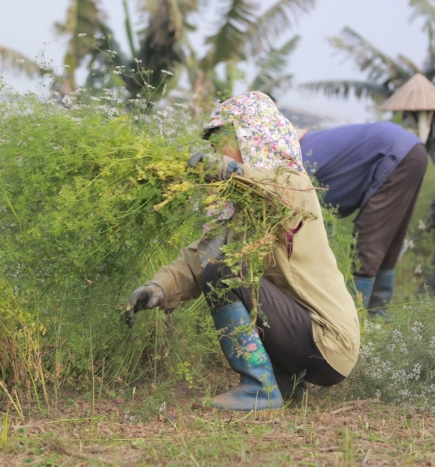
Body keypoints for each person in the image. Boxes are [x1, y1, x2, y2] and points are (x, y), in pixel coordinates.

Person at [125, 92, 360, 412]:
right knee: (218, 265)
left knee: (224, 272)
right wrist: (158, 287)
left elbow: (270, 187)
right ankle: (285, 383)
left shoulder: (291, 182)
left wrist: (229, 169)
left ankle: (259, 387)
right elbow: (199, 258)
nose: (214, 151)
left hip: (327, 342)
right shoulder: (242, 210)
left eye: (222, 140)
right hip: (306, 343)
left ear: (253, 140)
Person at [299, 123, 428, 320]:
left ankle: (351, 317)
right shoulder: (302, 143)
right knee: (390, 238)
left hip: (397, 153)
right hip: (410, 151)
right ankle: (376, 313)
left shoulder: (293, 158)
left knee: (370, 237)